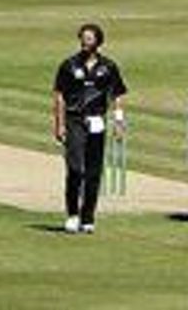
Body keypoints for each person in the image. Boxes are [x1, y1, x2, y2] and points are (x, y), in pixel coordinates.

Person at [52, 22, 127, 235]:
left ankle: (88, 217)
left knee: (94, 172)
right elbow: (58, 95)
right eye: (83, 38)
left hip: (97, 121)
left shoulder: (108, 67)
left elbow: (117, 94)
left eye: (89, 39)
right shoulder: (69, 65)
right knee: (75, 169)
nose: (85, 42)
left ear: (98, 42)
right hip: (75, 120)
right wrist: (59, 124)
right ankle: (72, 214)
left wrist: (119, 121)